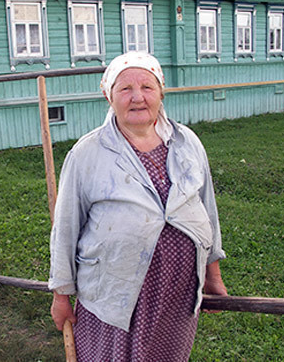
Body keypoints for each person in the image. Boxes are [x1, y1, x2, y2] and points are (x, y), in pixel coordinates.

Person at [48, 52, 228, 361]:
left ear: (161, 92)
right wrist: (60, 294)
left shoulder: (188, 143)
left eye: (147, 87)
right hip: (112, 297)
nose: (137, 98)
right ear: (109, 95)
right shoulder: (87, 154)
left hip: (177, 294)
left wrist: (212, 276)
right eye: (125, 89)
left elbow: (206, 213)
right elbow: (65, 228)